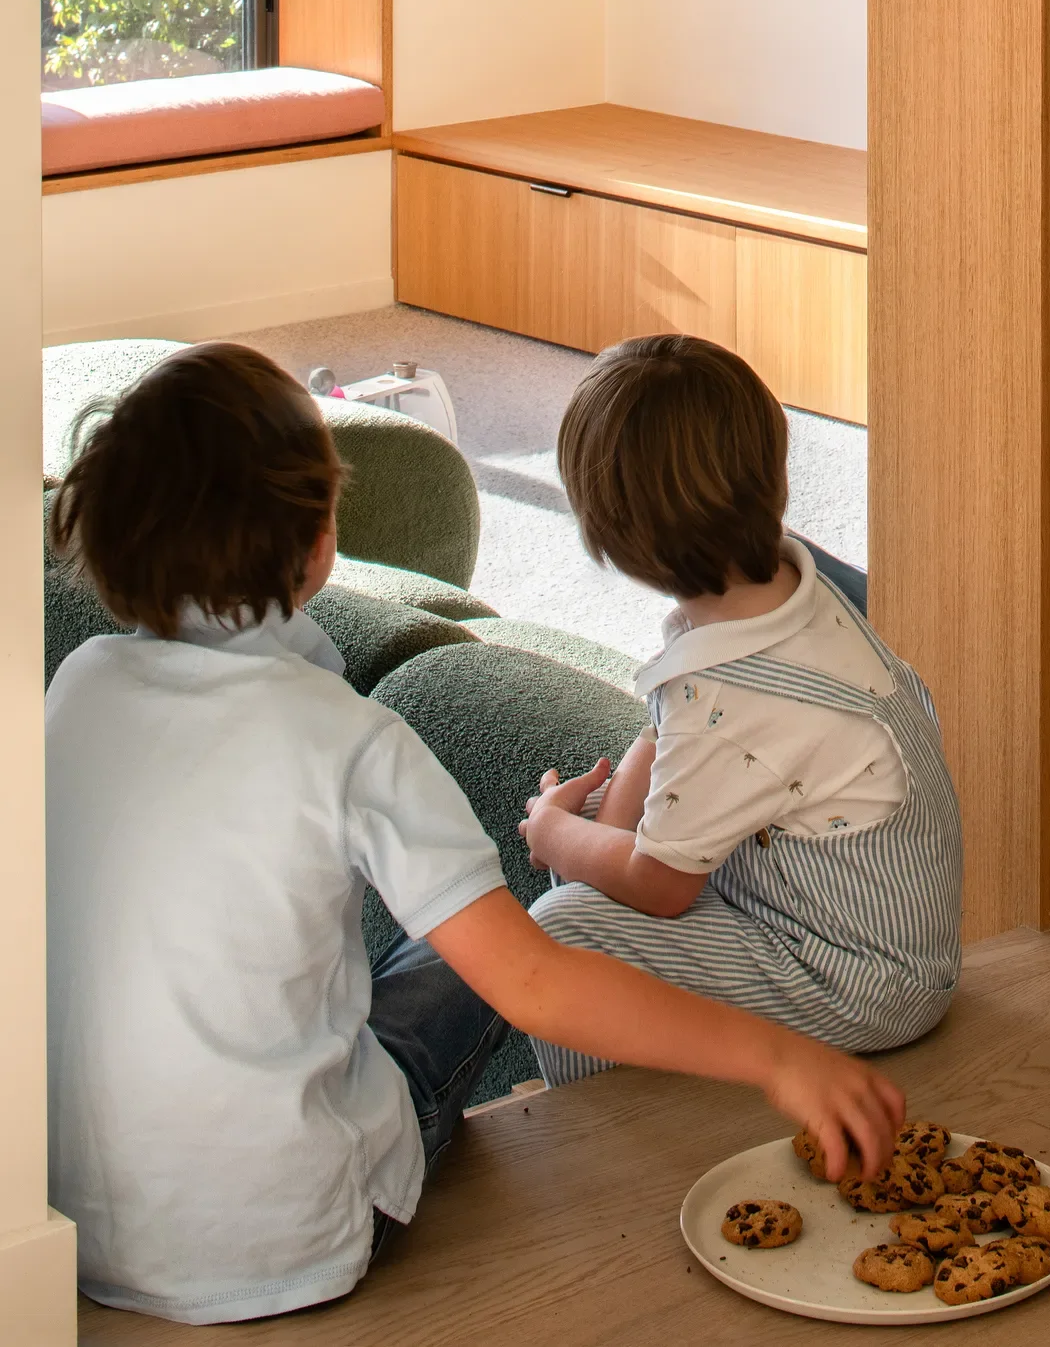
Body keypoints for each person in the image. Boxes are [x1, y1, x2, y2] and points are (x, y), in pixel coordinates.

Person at [44, 343, 902, 1326]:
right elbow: (534, 984)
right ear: (319, 541)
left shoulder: (76, 686)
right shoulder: (349, 739)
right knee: (492, 948)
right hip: (284, 1238)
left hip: (70, 1223)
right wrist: (775, 1058)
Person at [521, 334, 962, 1085]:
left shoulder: (728, 692)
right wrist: (604, 826)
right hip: (861, 930)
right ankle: (658, 1052)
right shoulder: (791, 587)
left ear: (617, 541)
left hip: (857, 981)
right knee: (604, 850)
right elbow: (669, 736)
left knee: (561, 934)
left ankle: (598, 1117)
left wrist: (557, 834)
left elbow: (661, 886)